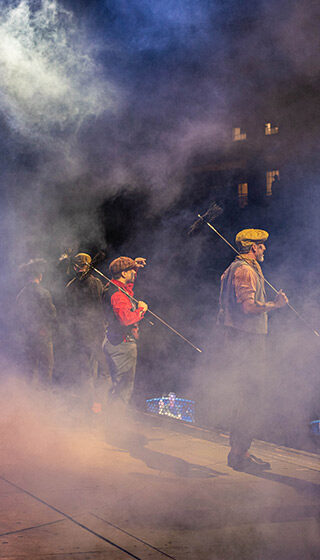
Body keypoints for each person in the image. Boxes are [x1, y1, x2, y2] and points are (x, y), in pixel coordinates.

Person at [218, 229, 288, 471]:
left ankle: (240, 452)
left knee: (246, 398)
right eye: (261, 245)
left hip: (241, 340)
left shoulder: (235, 268)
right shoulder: (245, 270)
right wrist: (275, 305)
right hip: (247, 341)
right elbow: (247, 307)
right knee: (250, 398)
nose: (264, 249)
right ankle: (239, 455)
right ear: (252, 248)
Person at [65, 253, 111, 412]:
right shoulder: (95, 283)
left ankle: (89, 405)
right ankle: (98, 405)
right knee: (102, 372)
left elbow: (68, 312)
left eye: (80, 265)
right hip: (92, 332)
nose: (79, 268)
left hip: (79, 333)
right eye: (79, 265)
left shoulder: (71, 285)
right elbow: (101, 307)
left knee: (87, 371)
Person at [103, 256, 148, 409]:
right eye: (131, 271)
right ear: (123, 274)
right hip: (122, 345)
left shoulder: (115, 287)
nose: (133, 274)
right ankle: (114, 428)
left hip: (114, 342)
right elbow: (125, 319)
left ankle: (110, 424)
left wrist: (134, 266)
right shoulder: (117, 294)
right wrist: (141, 310)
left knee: (116, 387)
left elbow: (128, 288)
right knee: (122, 391)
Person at [16, 258, 57, 386]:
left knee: (30, 368)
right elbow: (52, 315)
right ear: (40, 276)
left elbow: (18, 317)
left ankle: (30, 397)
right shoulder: (44, 293)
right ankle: (44, 397)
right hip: (43, 335)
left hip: (28, 336)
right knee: (46, 367)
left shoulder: (21, 295)